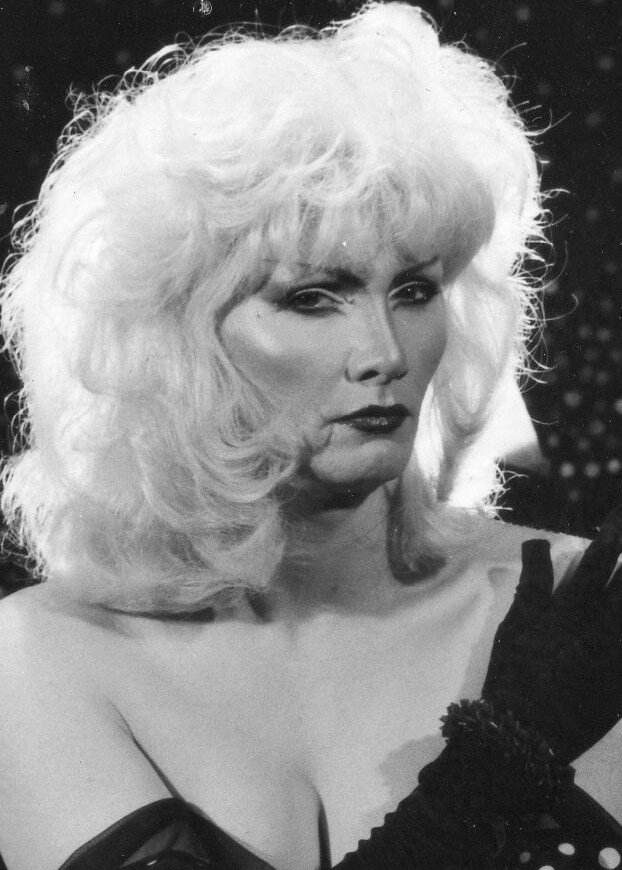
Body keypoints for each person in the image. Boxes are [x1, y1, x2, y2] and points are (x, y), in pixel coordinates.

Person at [0, 3, 622, 869]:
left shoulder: (584, 617)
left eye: (414, 290)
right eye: (312, 298)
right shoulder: (41, 656)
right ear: (173, 340)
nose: (385, 353)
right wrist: (502, 764)